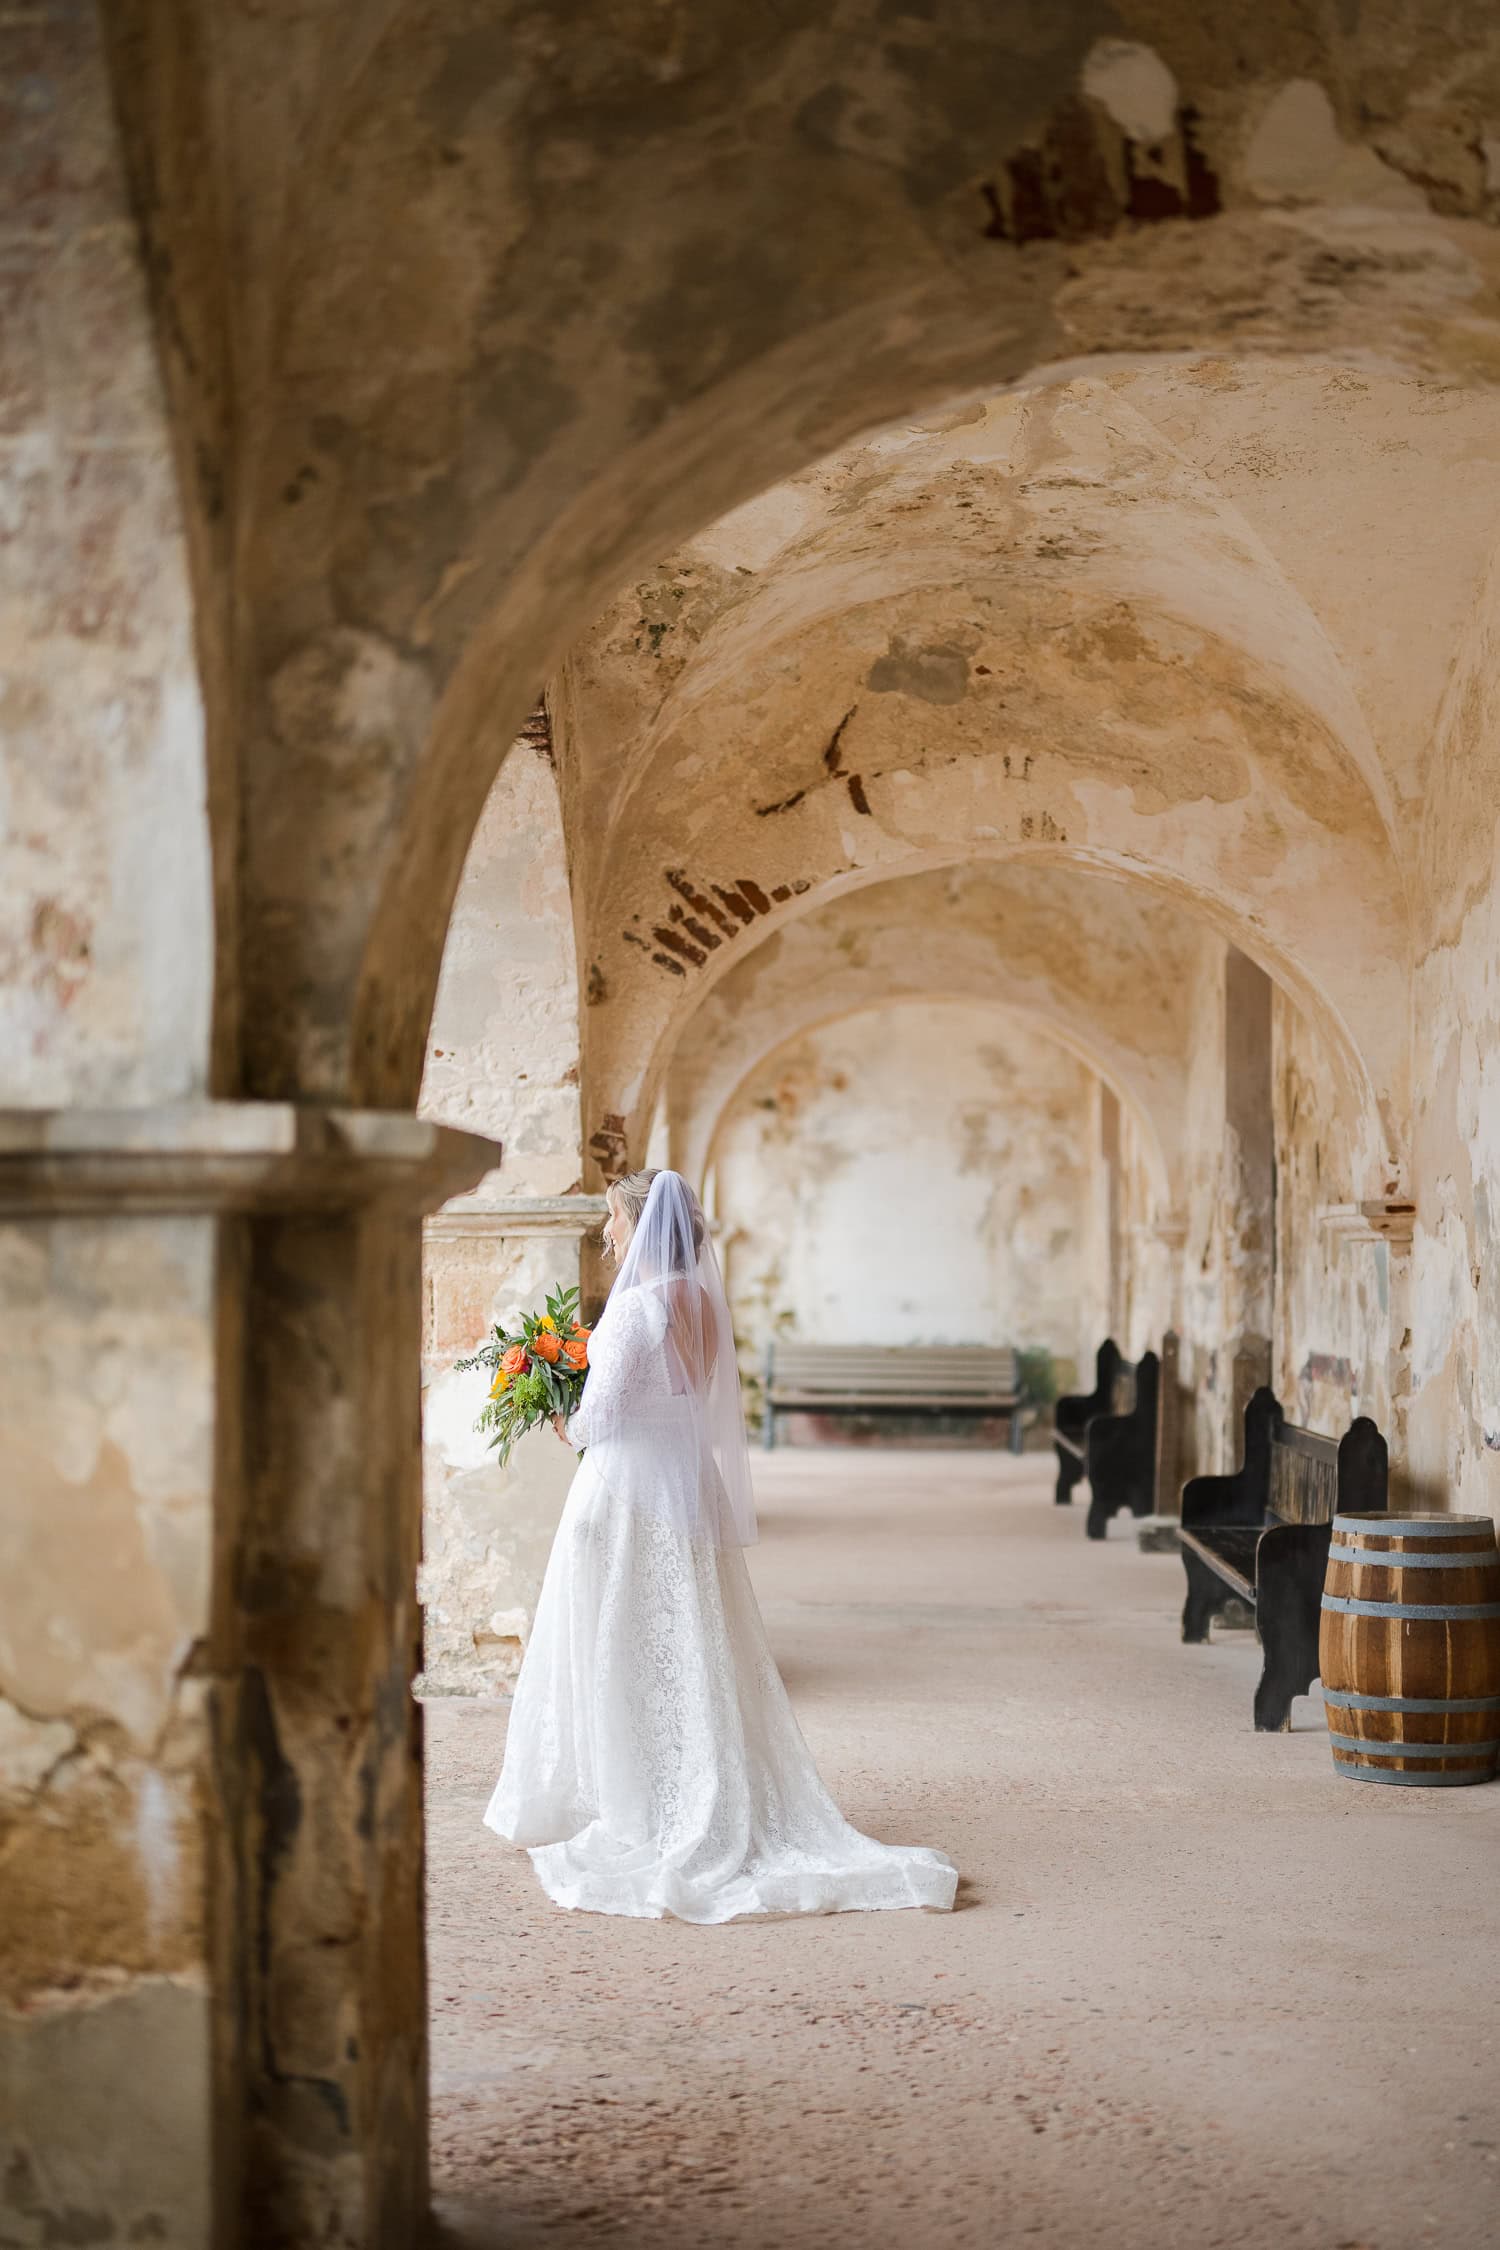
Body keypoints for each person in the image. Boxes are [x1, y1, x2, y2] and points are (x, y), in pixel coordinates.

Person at [484, 1168, 957, 1922]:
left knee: (621, 1643)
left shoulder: (639, 1307)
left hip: (625, 1494)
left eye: (612, 1219)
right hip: (683, 1484)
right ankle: (688, 1779)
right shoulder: (697, 1300)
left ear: (641, 1225)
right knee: (687, 1642)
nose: (606, 1232)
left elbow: (599, 1420)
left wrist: (555, 1417)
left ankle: (641, 1800)